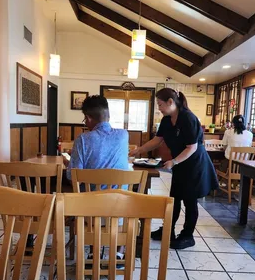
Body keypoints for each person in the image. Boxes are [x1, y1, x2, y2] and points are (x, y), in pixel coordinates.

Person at [130, 88, 218, 250]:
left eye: (160, 104)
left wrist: (174, 161)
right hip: (180, 164)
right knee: (174, 198)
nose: (159, 108)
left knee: (190, 201)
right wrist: (138, 150)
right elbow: (157, 140)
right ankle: (168, 230)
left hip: (194, 164)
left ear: (171, 102)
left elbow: (191, 147)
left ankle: (187, 235)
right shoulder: (166, 120)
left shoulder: (188, 118)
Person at [63, 94, 129, 267]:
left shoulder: (83, 139)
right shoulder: (124, 136)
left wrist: (69, 162)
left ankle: (93, 252)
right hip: (120, 211)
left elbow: (72, 176)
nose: (85, 122)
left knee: (91, 195)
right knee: (124, 195)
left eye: (85, 118)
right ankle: (118, 254)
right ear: (107, 115)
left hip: (90, 213)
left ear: (89, 118)